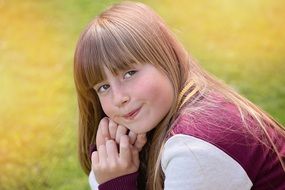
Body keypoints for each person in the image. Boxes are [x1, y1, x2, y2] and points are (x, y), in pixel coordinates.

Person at [73, 1, 285, 190]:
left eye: (129, 73)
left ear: (166, 57)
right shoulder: (156, 121)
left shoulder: (195, 149)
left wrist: (116, 183)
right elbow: (98, 179)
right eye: (103, 87)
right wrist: (115, 159)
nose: (119, 98)